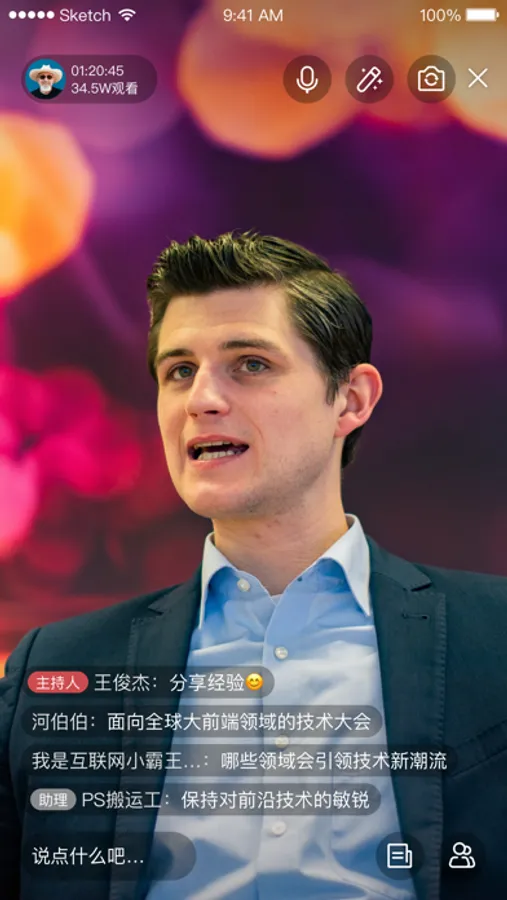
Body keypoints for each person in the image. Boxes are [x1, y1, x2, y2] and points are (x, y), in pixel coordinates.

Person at [1, 231, 506, 900]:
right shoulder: (58, 667)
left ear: (351, 400)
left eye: (250, 364)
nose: (201, 399)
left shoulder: (491, 634)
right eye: (179, 371)